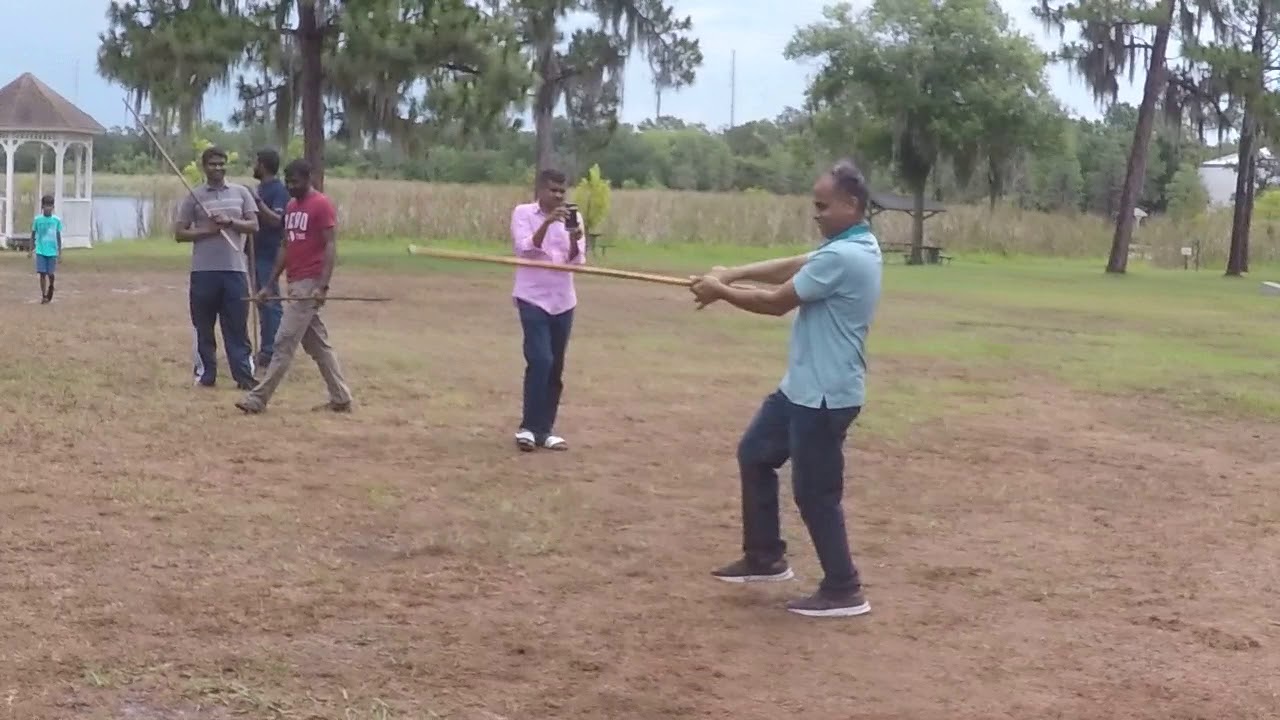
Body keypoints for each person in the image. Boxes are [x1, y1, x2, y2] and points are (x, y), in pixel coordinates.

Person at [687, 158, 883, 618]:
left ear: (850, 205)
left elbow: (777, 302)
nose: (815, 214)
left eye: (822, 206)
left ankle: (844, 588)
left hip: (825, 396)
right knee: (755, 453)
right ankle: (765, 557)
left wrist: (720, 291)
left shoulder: (846, 254)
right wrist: (731, 273)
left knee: (816, 494)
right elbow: (794, 266)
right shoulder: (851, 243)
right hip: (802, 388)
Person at [235, 158, 352, 415]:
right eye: (288, 181)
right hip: (294, 282)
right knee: (318, 345)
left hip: (309, 283)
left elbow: (330, 245)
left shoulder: (321, 204)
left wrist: (323, 286)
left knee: (283, 341)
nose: (290, 186)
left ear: (308, 178)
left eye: (295, 181)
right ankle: (341, 397)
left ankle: (258, 398)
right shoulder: (290, 206)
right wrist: (268, 285)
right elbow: (286, 247)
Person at [509, 168, 586, 452]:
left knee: (555, 367)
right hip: (532, 298)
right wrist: (546, 224)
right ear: (540, 190)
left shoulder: (573, 218)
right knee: (540, 359)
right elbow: (525, 250)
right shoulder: (523, 213)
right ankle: (528, 428)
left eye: (562, 191)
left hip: (563, 300)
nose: (558, 195)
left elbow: (577, 261)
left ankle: (546, 429)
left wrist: (576, 237)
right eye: (552, 190)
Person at [174, 146, 259, 390]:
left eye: (222, 163)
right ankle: (205, 375)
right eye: (213, 164)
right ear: (204, 167)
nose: (218, 168)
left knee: (237, 327)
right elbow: (180, 233)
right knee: (203, 325)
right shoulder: (195, 196)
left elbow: (253, 226)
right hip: (203, 271)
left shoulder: (241, 193)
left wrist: (230, 221)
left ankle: (244, 376)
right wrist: (207, 231)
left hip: (235, 270)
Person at [249, 148, 289, 369]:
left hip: (269, 253)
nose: (253, 166)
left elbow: (278, 221)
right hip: (255, 252)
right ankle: (266, 348)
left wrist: (257, 203)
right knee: (262, 302)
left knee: (271, 302)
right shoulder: (260, 188)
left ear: (263, 165)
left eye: (256, 162)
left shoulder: (278, 191)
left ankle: (272, 351)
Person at [30, 194, 62, 304]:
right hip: (40, 250)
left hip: (52, 251)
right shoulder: (37, 220)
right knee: (42, 273)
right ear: (42, 206)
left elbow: (58, 237)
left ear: (53, 207)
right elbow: (33, 234)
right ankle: (43, 295)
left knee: (50, 273)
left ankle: (51, 285)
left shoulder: (56, 220)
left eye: (50, 206)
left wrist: (60, 252)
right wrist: (31, 249)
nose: (48, 208)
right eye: (46, 205)